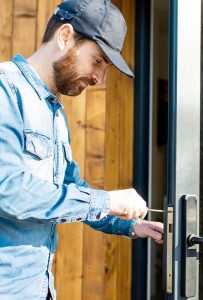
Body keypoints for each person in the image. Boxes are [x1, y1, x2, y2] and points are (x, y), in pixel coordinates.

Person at [0, 0, 163, 299]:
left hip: (40, 290)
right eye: (98, 60)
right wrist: (106, 200)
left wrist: (130, 225)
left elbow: (71, 190)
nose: (100, 78)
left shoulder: (55, 114)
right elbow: (8, 190)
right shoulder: (4, 90)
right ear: (65, 36)